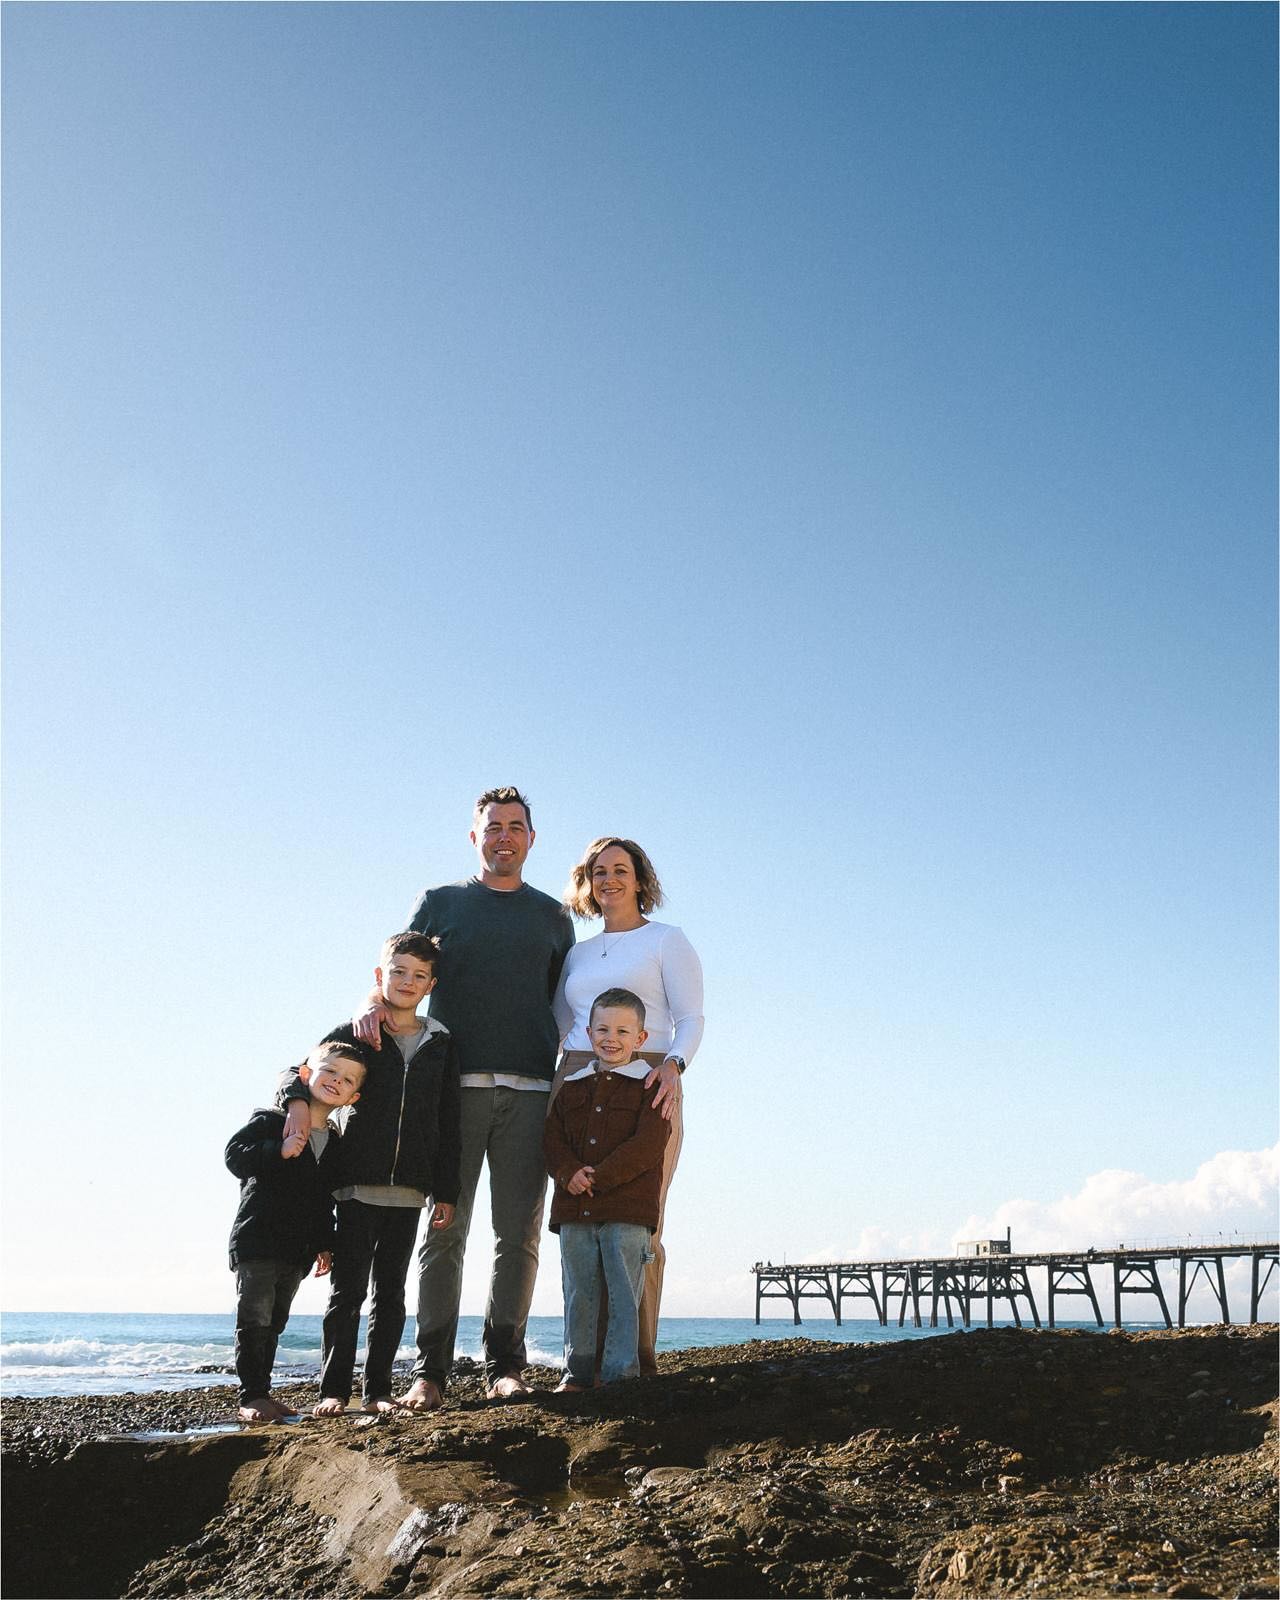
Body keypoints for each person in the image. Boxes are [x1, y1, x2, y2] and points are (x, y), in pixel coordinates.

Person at [351, 787, 575, 1408]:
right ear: (475, 837)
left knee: (518, 1238)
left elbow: (565, 1001)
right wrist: (367, 1006)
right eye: (493, 827)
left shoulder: (554, 917)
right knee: (445, 1230)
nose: (504, 837)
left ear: (531, 838)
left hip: (531, 1089)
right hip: (452, 1090)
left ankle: (505, 1364)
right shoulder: (440, 902)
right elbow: (396, 972)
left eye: (515, 827)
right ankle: (431, 1370)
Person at [280, 932, 461, 1415]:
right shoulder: (354, 1031)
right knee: (347, 1293)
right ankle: (333, 1390)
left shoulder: (441, 1043)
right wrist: (295, 1102)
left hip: (410, 1191)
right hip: (354, 1186)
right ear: (380, 975)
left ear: (431, 985)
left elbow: (449, 1120)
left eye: (419, 976)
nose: (407, 982)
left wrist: (446, 1190)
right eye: (398, 972)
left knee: (391, 1295)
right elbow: (298, 1072)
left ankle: (377, 1390)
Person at [553, 836, 703, 1374]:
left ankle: (636, 1359)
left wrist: (674, 1065)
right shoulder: (578, 952)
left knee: (640, 1223)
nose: (609, 879)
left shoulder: (666, 940)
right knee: (582, 1220)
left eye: (620, 869)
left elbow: (691, 1018)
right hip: (578, 1079)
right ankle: (584, 1363)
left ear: (640, 879)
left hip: (651, 1077)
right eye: (599, 871)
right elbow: (561, 1022)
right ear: (587, 882)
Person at [226, 1040, 367, 1423]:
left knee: (275, 1321)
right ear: (305, 1074)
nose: (336, 1081)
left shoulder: (333, 1142)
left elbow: (323, 1200)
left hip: (297, 1250)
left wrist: (324, 1243)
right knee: (254, 1319)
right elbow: (234, 1156)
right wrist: (279, 1150)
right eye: (329, 1071)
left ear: (353, 1097)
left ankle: (264, 1392)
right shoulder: (271, 1120)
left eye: (347, 1080)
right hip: (258, 1239)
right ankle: (251, 1396)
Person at [544, 988, 670, 1391]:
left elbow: (648, 1146)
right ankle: (577, 1373)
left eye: (622, 1031)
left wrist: (598, 1177)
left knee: (623, 1294)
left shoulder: (651, 1086)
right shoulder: (572, 1086)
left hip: (627, 1212)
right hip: (574, 1209)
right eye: (602, 1029)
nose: (610, 1038)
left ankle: (620, 1374)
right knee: (579, 1293)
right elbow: (552, 1140)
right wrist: (569, 1173)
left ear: (640, 1038)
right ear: (588, 1033)